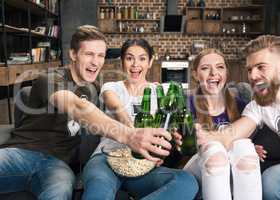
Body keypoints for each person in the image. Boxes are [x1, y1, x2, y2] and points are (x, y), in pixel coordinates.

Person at [0, 25, 174, 200]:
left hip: (57, 165)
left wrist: (154, 92)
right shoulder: (51, 78)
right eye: (89, 54)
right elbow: (76, 107)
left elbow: (114, 109)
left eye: (100, 56)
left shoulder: (94, 88)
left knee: (59, 192)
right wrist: (130, 136)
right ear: (74, 54)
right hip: (20, 153)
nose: (95, 62)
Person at [82, 38, 199, 200]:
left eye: (142, 58)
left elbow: (167, 129)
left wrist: (169, 143)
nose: (135, 64)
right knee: (98, 191)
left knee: (186, 182)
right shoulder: (112, 87)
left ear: (150, 62)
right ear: (122, 62)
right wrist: (134, 134)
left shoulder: (161, 92)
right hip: (106, 159)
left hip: (143, 165)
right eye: (129, 58)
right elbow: (118, 108)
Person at [197, 35, 280, 200]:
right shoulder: (259, 105)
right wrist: (208, 136)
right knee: (272, 180)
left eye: (261, 67)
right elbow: (232, 133)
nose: (252, 76)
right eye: (250, 69)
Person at [183, 48, 262, 200]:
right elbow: (185, 147)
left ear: (226, 73)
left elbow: (248, 138)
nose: (213, 73)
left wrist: (251, 146)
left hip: (233, 168)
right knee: (215, 150)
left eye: (220, 67)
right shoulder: (187, 104)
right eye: (205, 68)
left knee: (245, 147)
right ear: (195, 74)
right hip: (199, 167)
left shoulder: (241, 105)